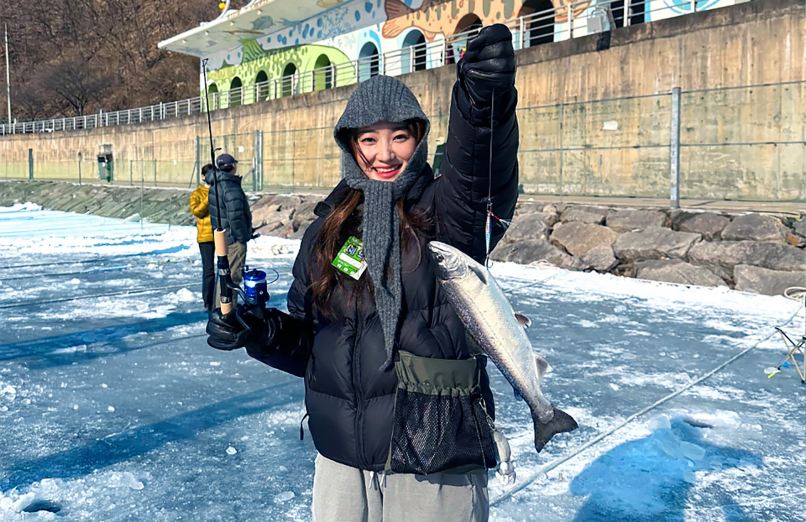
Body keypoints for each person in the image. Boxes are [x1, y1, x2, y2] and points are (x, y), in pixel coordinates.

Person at [207, 24, 519, 521]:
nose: (384, 153)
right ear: (351, 144)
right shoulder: (328, 230)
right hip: (343, 459)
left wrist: (483, 100)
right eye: (369, 138)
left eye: (399, 136)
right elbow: (315, 338)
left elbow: (482, 177)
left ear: (418, 140)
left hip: (433, 452)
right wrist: (260, 331)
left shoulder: (446, 213)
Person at [207, 153, 253, 306]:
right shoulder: (230, 186)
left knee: (224, 274)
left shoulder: (216, 184)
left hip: (222, 238)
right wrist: (242, 237)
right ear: (232, 166)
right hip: (233, 239)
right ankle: (226, 312)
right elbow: (235, 216)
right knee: (232, 277)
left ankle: (220, 308)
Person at [189, 163, 215, 311]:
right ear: (204, 177)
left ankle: (224, 298)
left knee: (227, 269)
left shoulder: (219, 190)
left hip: (221, 233)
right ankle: (208, 300)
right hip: (205, 236)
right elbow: (198, 212)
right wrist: (208, 196)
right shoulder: (196, 194)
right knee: (209, 270)